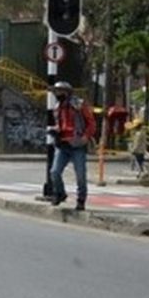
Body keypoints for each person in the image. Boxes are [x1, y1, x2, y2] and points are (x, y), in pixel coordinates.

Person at [47, 81, 96, 211]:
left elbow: (91, 122)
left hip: (77, 143)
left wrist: (86, 137)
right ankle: (60, 193)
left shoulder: (78, 104)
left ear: (67, 92)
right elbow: (61, 124)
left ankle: (81, 200)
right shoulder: (57, 107)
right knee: (54, 172)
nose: (57, 94)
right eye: (56, 92)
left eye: (59, 91)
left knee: (80, 175)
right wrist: (55, 130)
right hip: (62, 144)